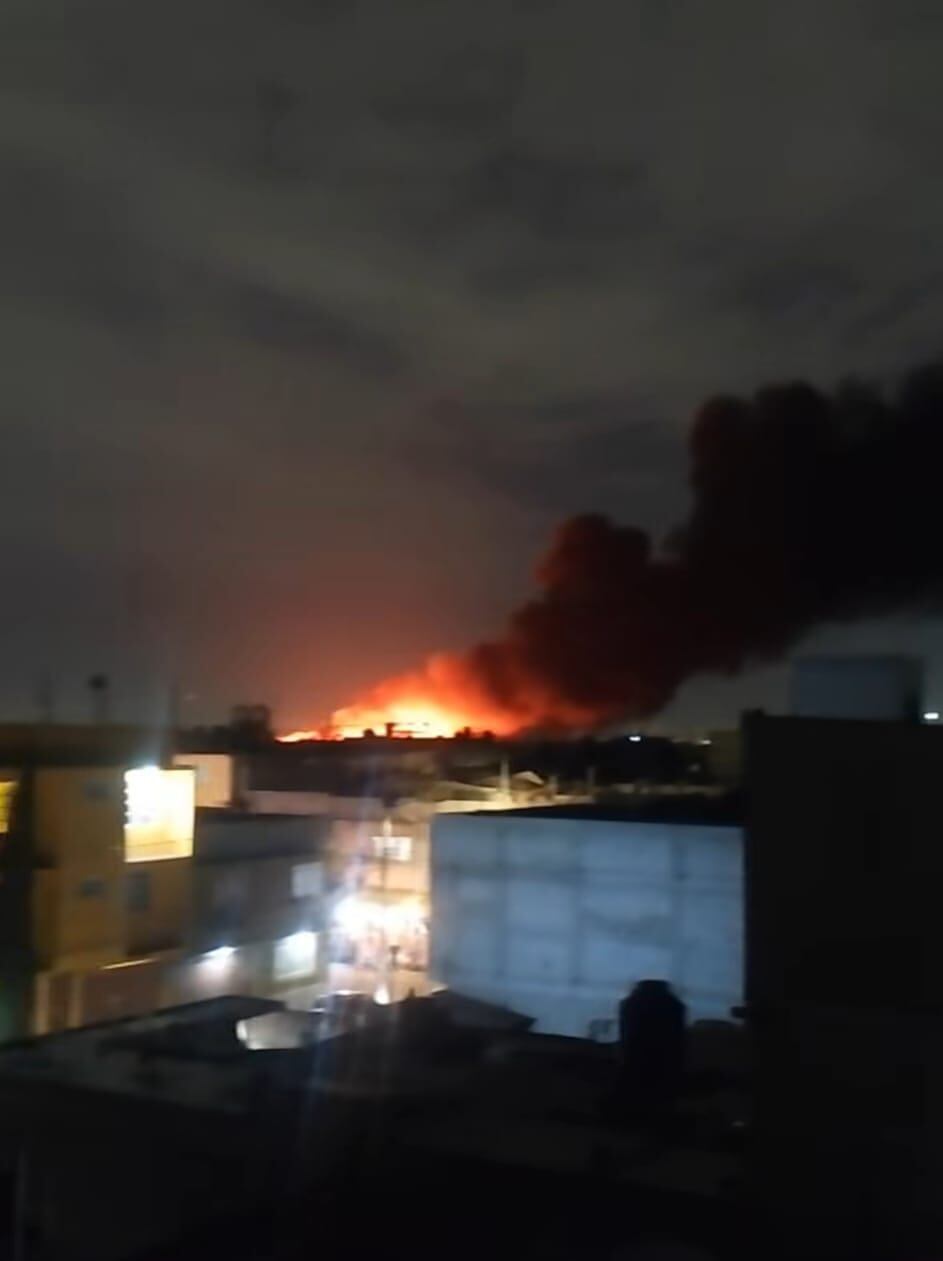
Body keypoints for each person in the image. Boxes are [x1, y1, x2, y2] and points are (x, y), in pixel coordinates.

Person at [617, 979, 687, 1124]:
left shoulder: (631, 1004)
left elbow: (626, 1039)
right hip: (664, 1072)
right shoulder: (674, 1006)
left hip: (635, 1069)